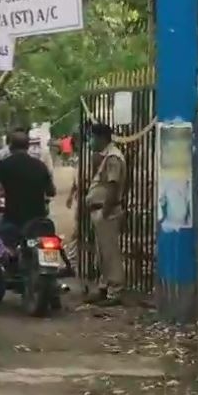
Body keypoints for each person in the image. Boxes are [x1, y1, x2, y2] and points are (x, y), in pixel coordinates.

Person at [0, 130, 55, 242]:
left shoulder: (5, 164)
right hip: (37, 219)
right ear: (28, 147)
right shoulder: (40, 166)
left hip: (12, 219)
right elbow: (51, 192)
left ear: (10, 147)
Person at [85, 123, 127, 306]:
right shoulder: (105, 157)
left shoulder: (113, 158)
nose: (90, 141)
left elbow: (113, 185)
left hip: (106, 211)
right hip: (100, 209)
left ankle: (114, 291)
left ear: (102, 138)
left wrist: (106, 211)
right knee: (102, 253)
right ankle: (104, 286)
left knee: (110, 253)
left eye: (92, 137)